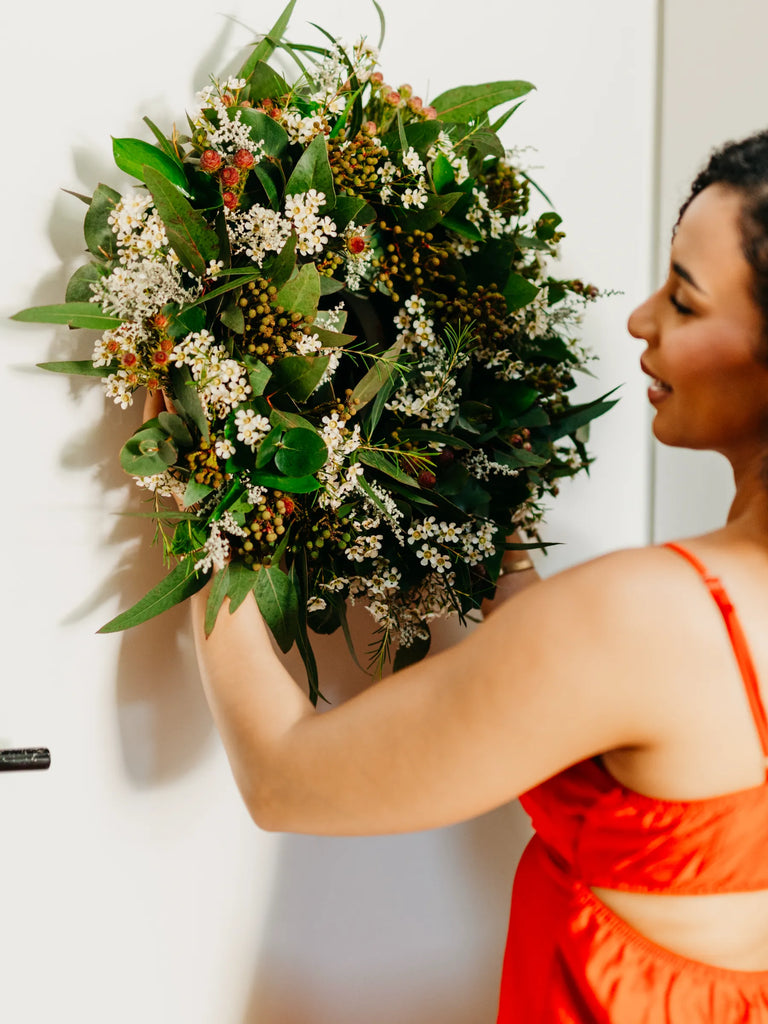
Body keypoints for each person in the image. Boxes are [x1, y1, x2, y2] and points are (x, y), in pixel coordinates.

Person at [154, 130, 768, 1021]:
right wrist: (496, 516)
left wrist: (206, 483)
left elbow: (282, 775)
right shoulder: (667, 629)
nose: (640, 320)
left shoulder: (655, 617)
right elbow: (577, 686)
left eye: (683, 299)